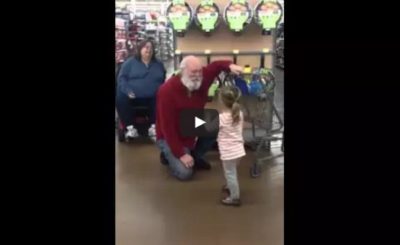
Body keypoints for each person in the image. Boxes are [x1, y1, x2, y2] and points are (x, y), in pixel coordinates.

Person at [155, 55, 243, 181]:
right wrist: (180, 153)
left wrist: (230, 65)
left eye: (199, 71)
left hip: (191, 122)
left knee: (216, 123)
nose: (197, 75)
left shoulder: (202, 77)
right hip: (170, 135)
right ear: (182, 71)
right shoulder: (166, 91)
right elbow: (167, 128)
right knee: (185, 173)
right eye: (193, 72)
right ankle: (167, 154)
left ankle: (195, 155)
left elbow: (215, 66)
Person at [116, 39, 166, 141]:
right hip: (133, 95)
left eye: (151, 48)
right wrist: (127, 90)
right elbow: (122, 78)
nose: (149, 50)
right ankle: (130, 128)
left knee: (162, 98)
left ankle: (153, 126)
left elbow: (163, 79)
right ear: (140, 49)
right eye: (146, 47)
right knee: (120, 97)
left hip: (152, 95)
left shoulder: (158, 64)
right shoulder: (130, 63)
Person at [216, 86, 246, 206]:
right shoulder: (239, 114)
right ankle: (229, 185)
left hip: (228, 152)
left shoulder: (221, 118)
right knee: (232, 170)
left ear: (222, 102)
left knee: (230, 173)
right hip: (239, 150)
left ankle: (234, 197)